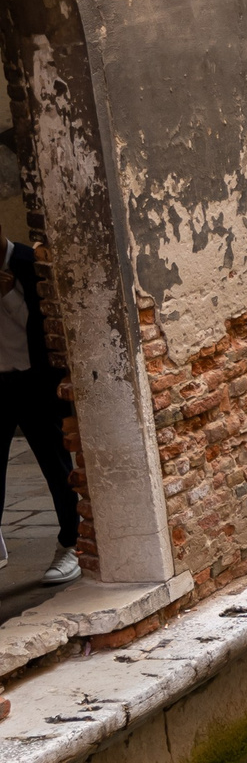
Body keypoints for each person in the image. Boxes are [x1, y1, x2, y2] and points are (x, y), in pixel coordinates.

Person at [0, 237, 82, 584]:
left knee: (56, 466)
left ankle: (72, 543)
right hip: (0, 383)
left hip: (35, 384)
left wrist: (8, 296)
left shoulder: (30, 263)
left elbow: (46, 329)